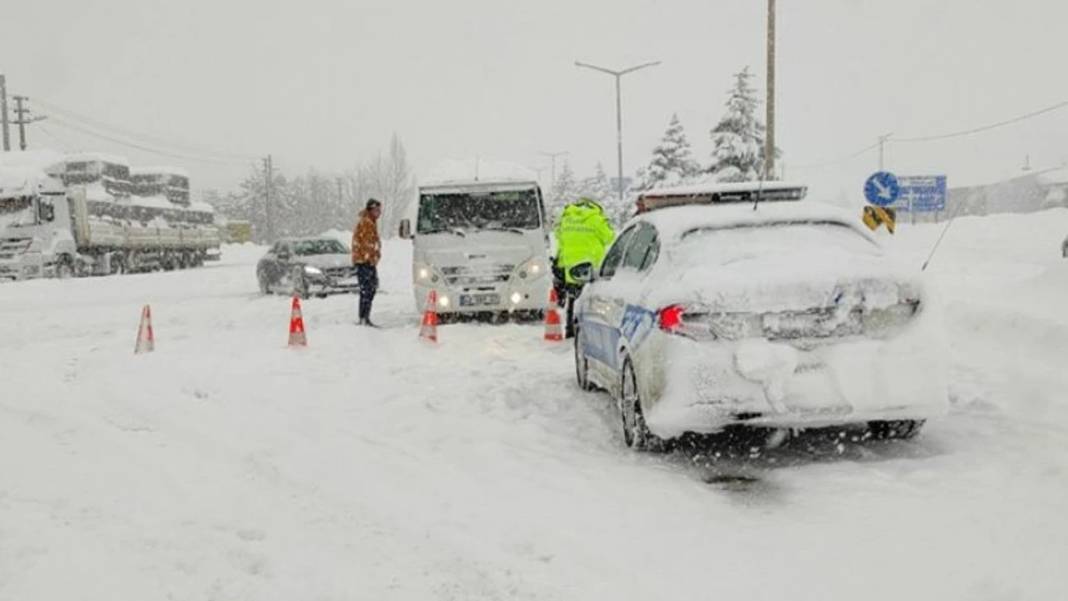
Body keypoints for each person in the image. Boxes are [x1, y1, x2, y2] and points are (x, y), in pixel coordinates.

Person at [552, 197, 615, 337]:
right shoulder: (597, 219)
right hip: (590, 267)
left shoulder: (567, 218)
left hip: (571, 268)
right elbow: (610, 237)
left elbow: (559, 237)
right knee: (591, 300)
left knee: (573, 299)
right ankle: (590, 331)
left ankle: (570, 329)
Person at [351, 199, 382, 326]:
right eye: (377, 210)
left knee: (370, 289)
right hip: (365, 262)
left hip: (367, 261)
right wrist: (371, 257)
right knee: (367, 290)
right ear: (371, 210)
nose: (379, 213)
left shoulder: (370, 222)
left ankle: (365, 317)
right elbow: (367, 244)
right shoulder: (366, 223)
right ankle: (364, 318)